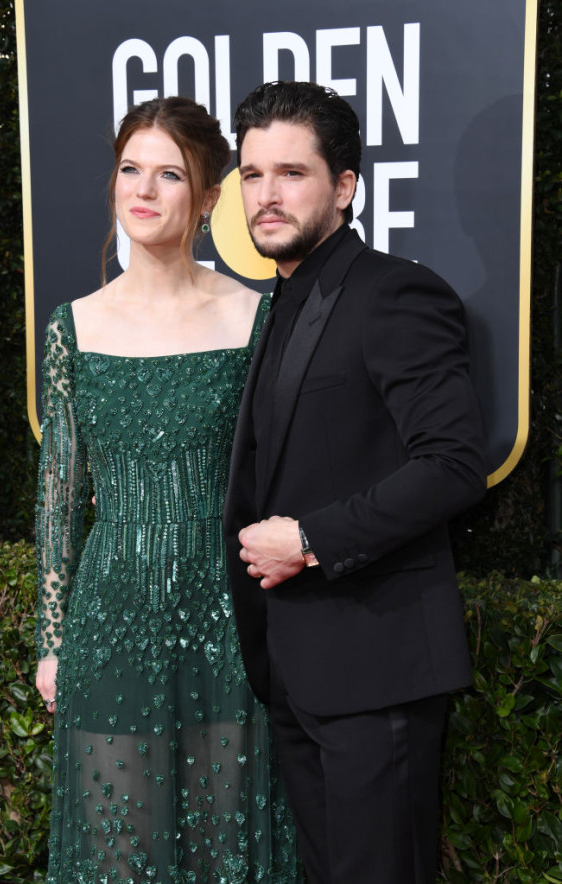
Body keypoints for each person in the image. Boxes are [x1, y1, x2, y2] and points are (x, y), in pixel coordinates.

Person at [223, 81, 487, 884]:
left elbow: (451, 464)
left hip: (377, 672)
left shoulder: (393, 294)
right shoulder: (282, 304)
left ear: (343, 186)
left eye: (292, 174)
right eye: (252, 174)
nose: (267, 196)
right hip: (299, 673)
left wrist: (309, 538)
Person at [35, 96, 302, 884]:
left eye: (169, 174)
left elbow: (281, 474)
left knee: (229, 845)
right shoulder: (71, 327)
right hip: (111, 615)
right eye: (130, 169)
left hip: (226, 616)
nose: (143, 190)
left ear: (209, 197)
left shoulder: (256, 316)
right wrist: (52, 641)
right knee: (119, 850)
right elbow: (58, 496)